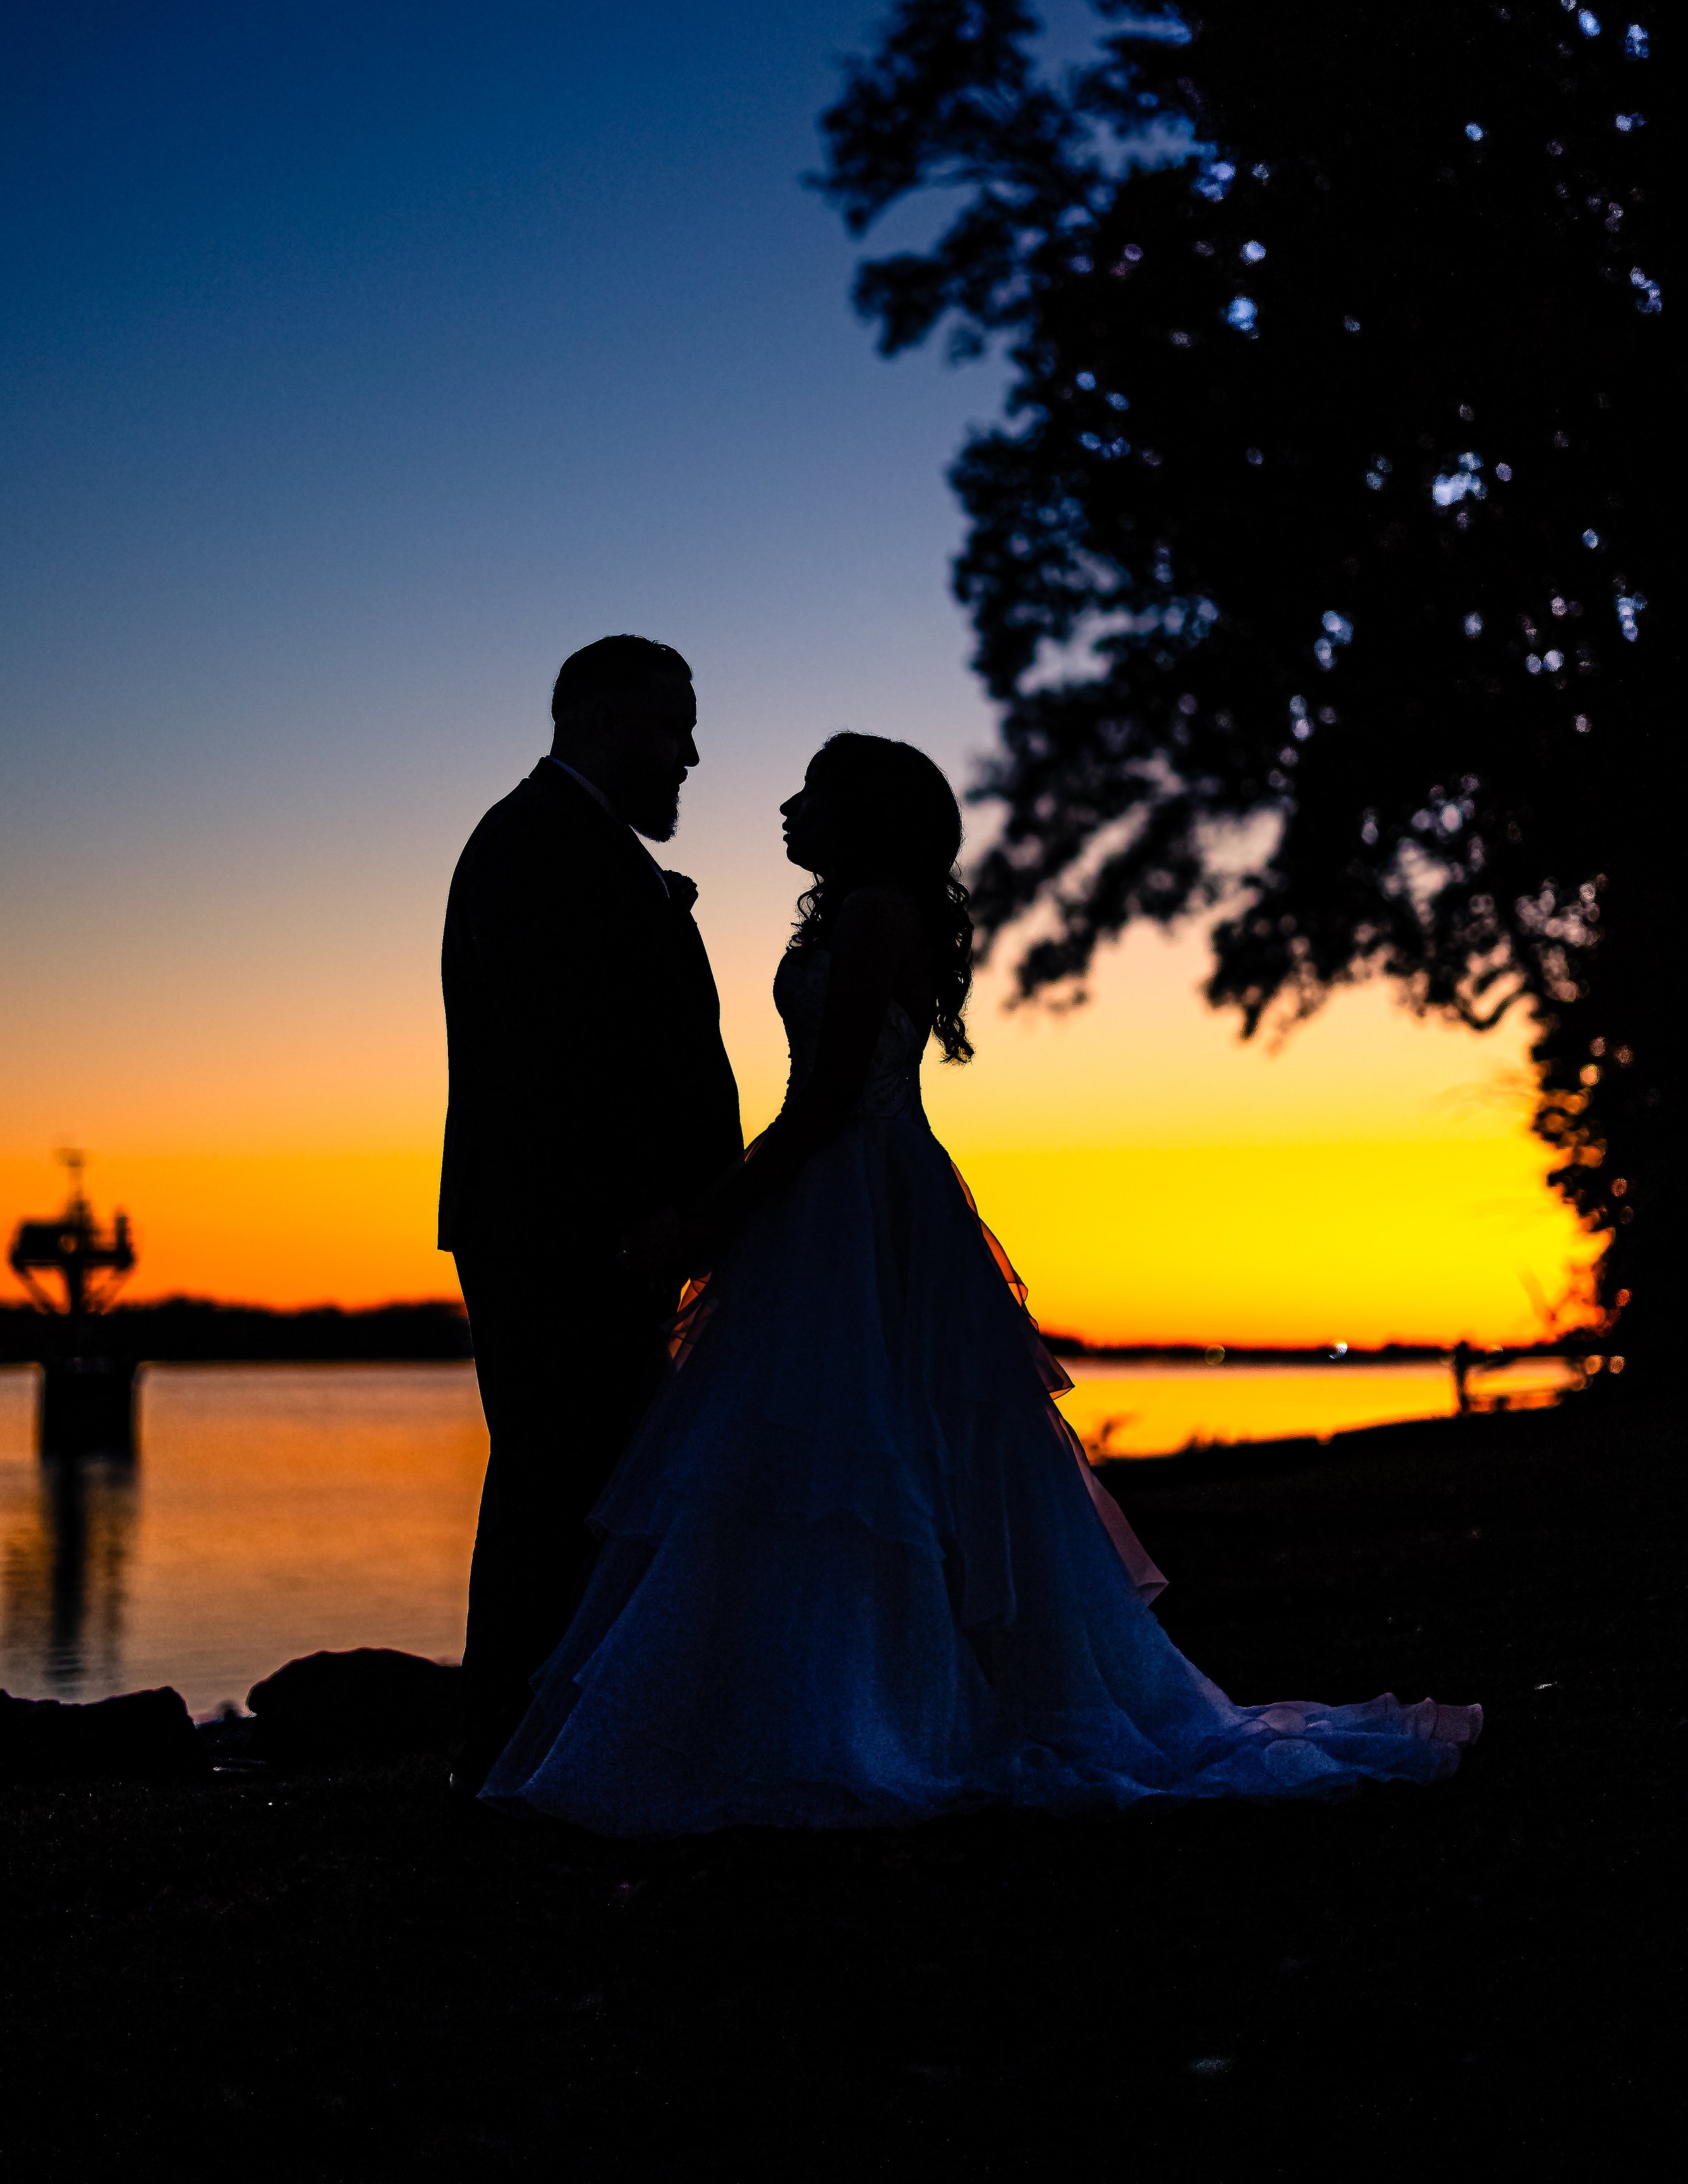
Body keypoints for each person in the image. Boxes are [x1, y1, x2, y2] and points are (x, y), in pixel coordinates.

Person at [481, 729, 1480, 1833]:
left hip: (860, 1201)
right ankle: (828, 1700)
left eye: (811, 790)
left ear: (860, 813)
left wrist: (707, 1223)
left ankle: (864, 1712)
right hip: (844, 1197)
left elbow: (823, 1104)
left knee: (859, 1456)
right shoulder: (856, 910)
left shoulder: (873, 915)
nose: (786, 806)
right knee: (845, 1458)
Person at [439, 636, 741, 1791]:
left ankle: (546, 1744)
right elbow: (547, 1068)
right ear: (611, 720)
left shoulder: (574, 845)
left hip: (592, 1231)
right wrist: (644, 1214)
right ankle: (512, 1753)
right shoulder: (533, 845)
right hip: (566, 1233)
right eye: (677, 726)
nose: (693, 754)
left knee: (577, 1487)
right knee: (556, 1486)